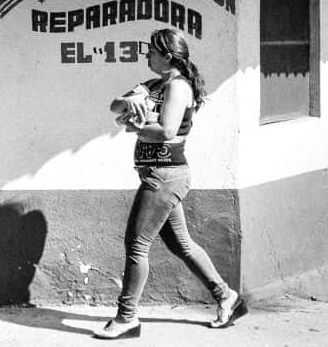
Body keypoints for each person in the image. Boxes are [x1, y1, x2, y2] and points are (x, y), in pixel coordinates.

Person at [93, 28, 248, 340]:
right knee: (181, 244)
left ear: (167, 56)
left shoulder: (178, 87)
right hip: (158, 173)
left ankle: (127, 317)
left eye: (151, 52)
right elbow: (114, 108)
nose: (146, 56)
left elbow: (166, 131)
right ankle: (226, 297)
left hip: (164, 175)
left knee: (137, 244)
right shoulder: (152, 85)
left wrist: (135, 125)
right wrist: (127, 103)